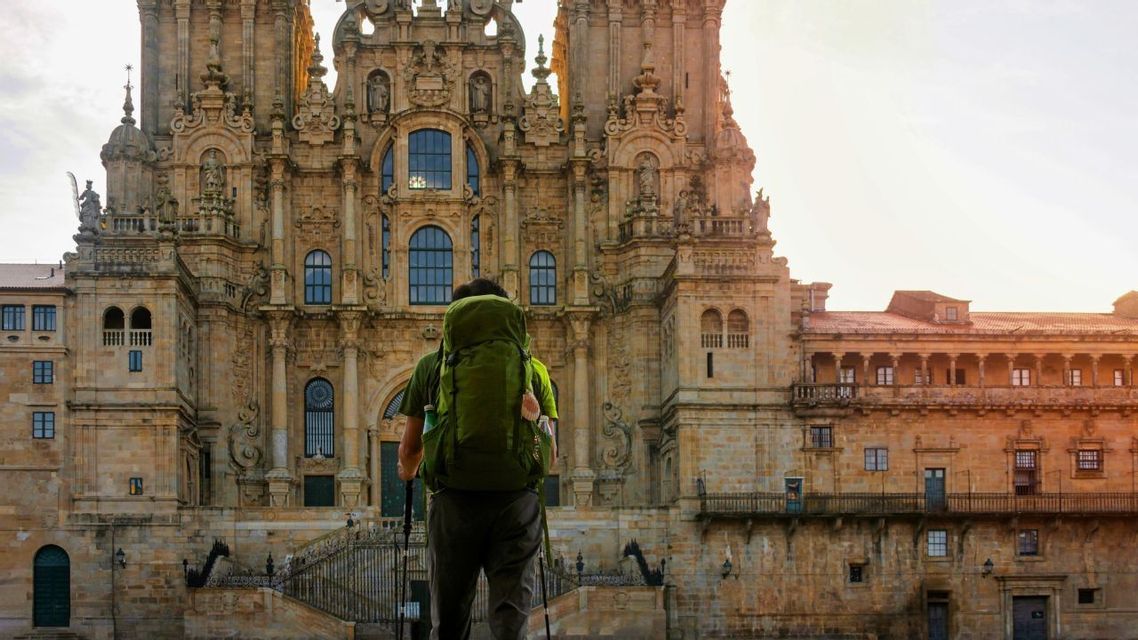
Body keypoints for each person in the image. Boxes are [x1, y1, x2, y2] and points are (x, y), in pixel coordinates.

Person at [398, 278, 557, 640]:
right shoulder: (535, 370)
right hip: (518, 505)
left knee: (450, 624)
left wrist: (408, 471)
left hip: (454, 503)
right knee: (510, 622)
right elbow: (550, 457)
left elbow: (409, 450)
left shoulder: (430, 366)